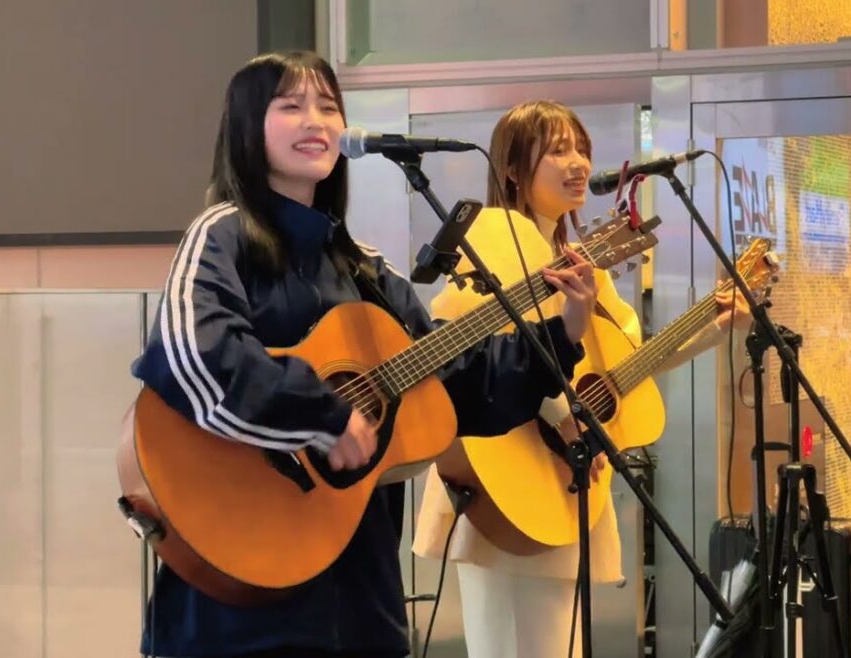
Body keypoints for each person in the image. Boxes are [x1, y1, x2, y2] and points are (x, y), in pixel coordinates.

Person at [129, 53, 598, 658]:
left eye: (328, 106)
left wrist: (562, 334)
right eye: (291, 105)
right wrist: (321, 414)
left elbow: (456, 387)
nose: (316, 121)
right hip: (235, 599)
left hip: (360, 604)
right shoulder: (222, 236)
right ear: (249, 127)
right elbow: (196, 350)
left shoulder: (368, 270)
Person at [413, 100, 751, 658]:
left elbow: (624, 365)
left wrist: (715, 328)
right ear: (514, 170)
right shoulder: (493, 236)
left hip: (557, 486)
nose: (578, 163)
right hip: (509, 477)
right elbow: (462, 354)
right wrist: (559, 418)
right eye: (558, 150)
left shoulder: (578, 260)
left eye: (582, 149)